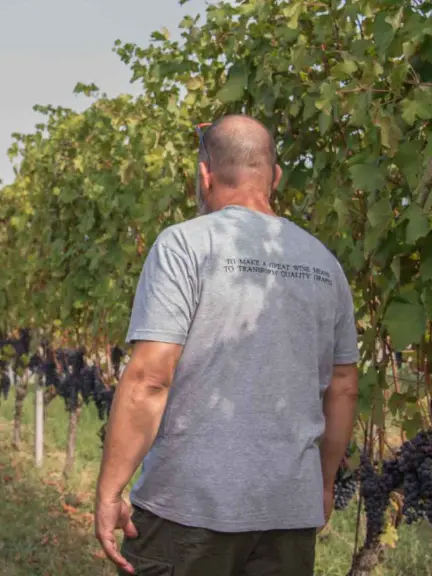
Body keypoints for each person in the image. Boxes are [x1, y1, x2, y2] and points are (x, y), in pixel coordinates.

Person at [94, 114, 360, 576]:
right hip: (288, 516)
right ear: (275, 177)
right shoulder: (324, 263)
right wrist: (323, 483)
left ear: (204, 174)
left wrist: (110, 491)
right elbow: (343, 387)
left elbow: (150, 378)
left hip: (187, 515)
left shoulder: (185, 246)